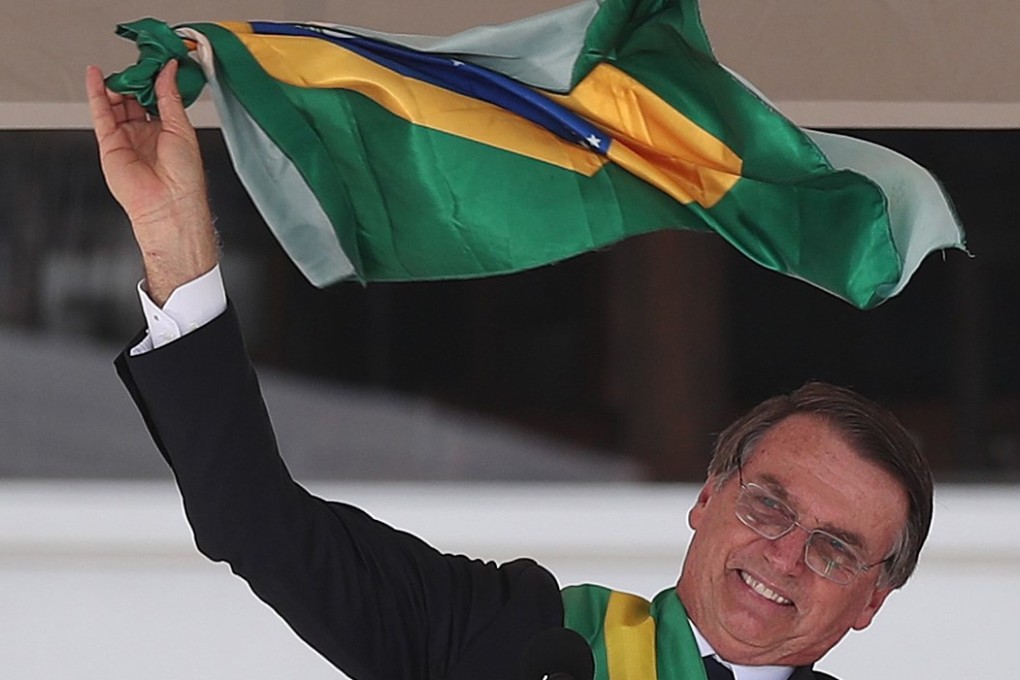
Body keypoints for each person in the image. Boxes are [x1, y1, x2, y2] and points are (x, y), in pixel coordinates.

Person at [86, 61, 933, 680]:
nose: (783, 555)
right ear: (710, 496)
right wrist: (175, 244)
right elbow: (256, 524)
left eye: (833, 550)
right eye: (769, 504)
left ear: (870, 605)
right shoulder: (513, 640)